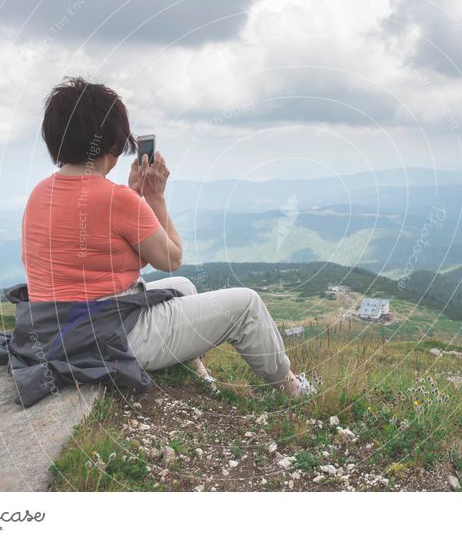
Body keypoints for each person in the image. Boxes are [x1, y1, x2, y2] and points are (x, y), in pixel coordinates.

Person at [21, 77, 314, 397]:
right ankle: (291, 388)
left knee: (182, 288)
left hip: (56, 332)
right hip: (111, 339)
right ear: (113, 144)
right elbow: (171, 258)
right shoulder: (116, 200)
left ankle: (195, 371)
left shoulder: (39, 194)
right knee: (246, 305)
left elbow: (99, 253)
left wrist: (134, 196)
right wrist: (155, 198)